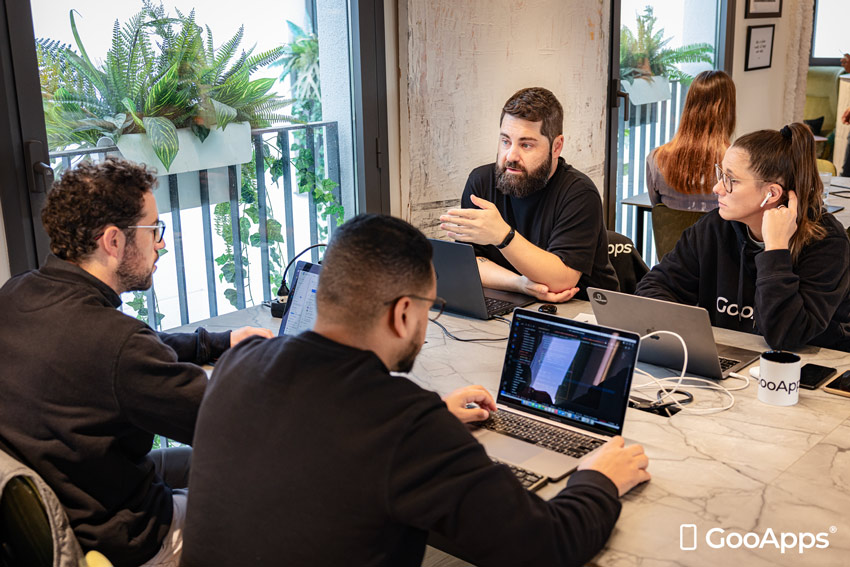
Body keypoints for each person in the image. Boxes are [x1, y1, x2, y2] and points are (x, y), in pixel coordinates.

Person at [180, 214, 650, 567]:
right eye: (431, 307)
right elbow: (548, 546)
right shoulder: (406, 425)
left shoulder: (239, 362)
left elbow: (323, 432)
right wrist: (599, 479)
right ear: (403, 313)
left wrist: (434, 417)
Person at [0, 158, 272, 567]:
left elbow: (128, 351)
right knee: (271, 494)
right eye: (153, 229)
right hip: (130, 539)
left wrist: (216, 342)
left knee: (199, 464)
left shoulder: (17, 293)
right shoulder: (117, 344)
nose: (160, 243)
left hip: (83, 495)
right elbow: (233, 422)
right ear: (114, 241)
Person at [636, 123, 850, 351]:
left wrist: (776, 249)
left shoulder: (826, 243)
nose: (717, 188)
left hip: (807, 367)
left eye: (731, 180)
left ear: (772, 193)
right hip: (731, 358)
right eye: (721, 174)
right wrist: (693, 338)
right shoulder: (716, 226)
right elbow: (654, 287)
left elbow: (786, 337)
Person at [439, 87, 619, 302]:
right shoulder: (481, 182)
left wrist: (503, 235)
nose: (511, 156)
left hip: (581, 310)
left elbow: (562, 280)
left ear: (556, 147)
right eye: (505, 141)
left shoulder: (579, 193)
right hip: (517, 300)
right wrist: (520, 284)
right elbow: (469, 263)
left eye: (526, 145)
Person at [646, 69, 736, 211]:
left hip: (673, 227)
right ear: (728, 110)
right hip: (718, 226)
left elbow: (657, 207)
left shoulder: (656, 159)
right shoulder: (736, 162)